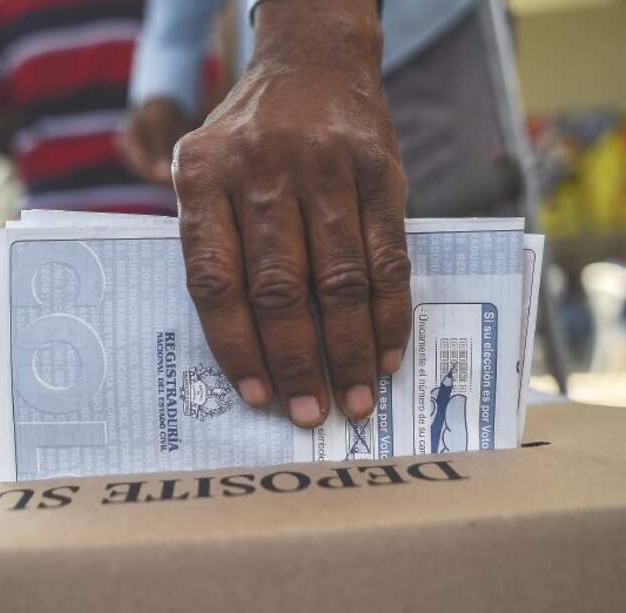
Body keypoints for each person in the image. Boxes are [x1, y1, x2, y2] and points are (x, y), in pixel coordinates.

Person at [122, 0, 501, 429]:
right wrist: (168, 67)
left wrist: (318, 26)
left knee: (436, 323)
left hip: (416, 46)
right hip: (273, 47)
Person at [0, 0, 177, 215]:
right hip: (151, 208)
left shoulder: (1, 10)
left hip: (48, 210)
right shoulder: (169, 6)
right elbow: (202, 103)